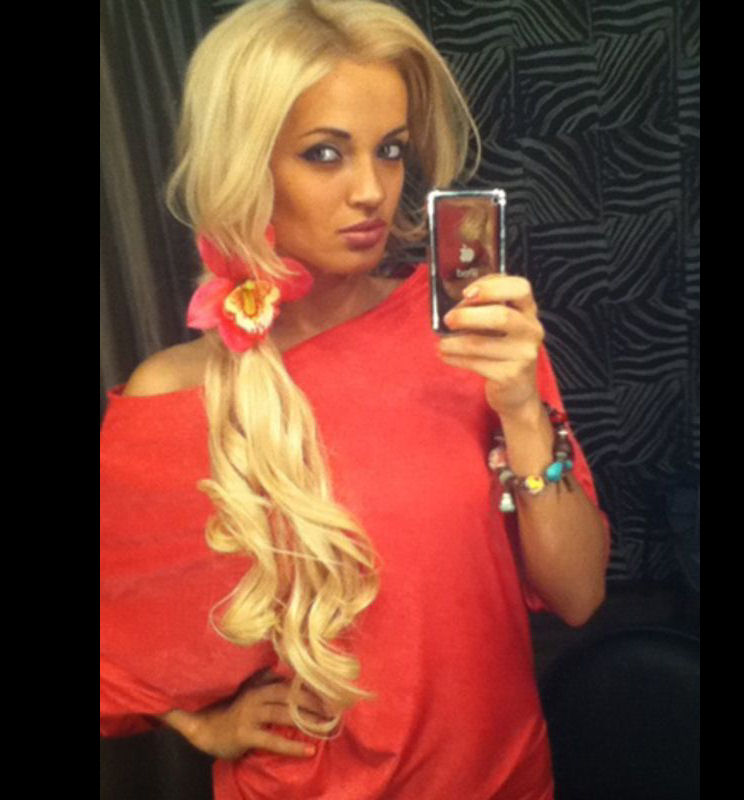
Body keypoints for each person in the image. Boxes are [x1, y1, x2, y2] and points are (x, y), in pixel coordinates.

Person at [99, 1, 610, 797]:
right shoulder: (177, 394)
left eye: (391, 149)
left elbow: (579, 596)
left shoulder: (471, 336)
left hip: (504, 777)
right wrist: (203, 726)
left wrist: (521, 411)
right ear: (244, 163)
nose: (372, 190)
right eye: (325, 153)